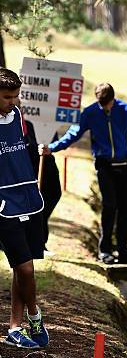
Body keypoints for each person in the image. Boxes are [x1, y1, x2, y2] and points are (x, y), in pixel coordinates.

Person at [39, 83, 127, 264]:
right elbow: (73, 133)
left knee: (126, 209)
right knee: (109, 206)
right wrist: (52, 148)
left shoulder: (125, 109)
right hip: (104, 166)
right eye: (101, 104)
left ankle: (125, 253)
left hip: (126, 166)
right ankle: (105, 251)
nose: (105, 108)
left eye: (107, 104)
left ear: (113, 99)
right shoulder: (91, 112)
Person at [0, 68, 49, 349]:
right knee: (26, 269)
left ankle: (15, 328)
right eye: (8, 97)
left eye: (17, 96)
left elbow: (23, 149)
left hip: (29, 198)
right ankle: (35, 316)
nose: (14, 101)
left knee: (23, 269)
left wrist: (41, 151)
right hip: (4, 205)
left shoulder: (18, 116)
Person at [20, 107, 62, 252]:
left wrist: (49, 145)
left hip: (46, 160)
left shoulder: (43, 118)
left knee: (53, 194)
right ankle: (34, 241)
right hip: (25, 163)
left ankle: (38, 239)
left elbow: (54, 139)